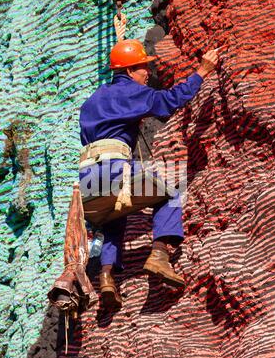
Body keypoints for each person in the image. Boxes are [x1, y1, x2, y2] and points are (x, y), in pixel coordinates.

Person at [79, 39, 218, 310]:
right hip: (115, 167)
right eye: (143, 68)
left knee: (114, 216)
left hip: (87, 181)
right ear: (129, 71)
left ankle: (106, 276)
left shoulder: (91, 101)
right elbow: (169, 101)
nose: (148, 74)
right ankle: (159, 255)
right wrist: (202, 71)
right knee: (172, 189)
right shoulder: (133, 92)